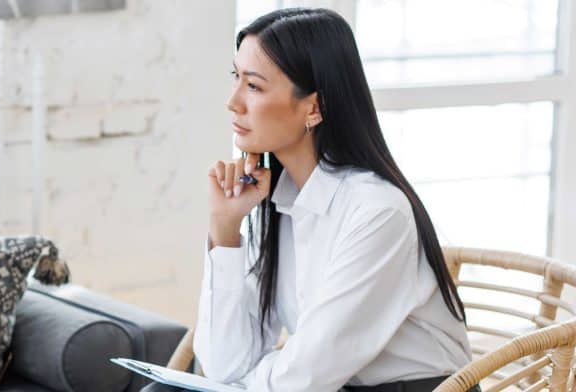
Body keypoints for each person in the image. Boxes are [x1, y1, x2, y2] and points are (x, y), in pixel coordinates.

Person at [148, 8, 475, 392]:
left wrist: (247, 382)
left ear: (314, 107)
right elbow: (222, 363)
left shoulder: (378, 211)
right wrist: (225, 230)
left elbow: (304, 378)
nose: (233, 102)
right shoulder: (276, 203)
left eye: (253, 86)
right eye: (235, 77)